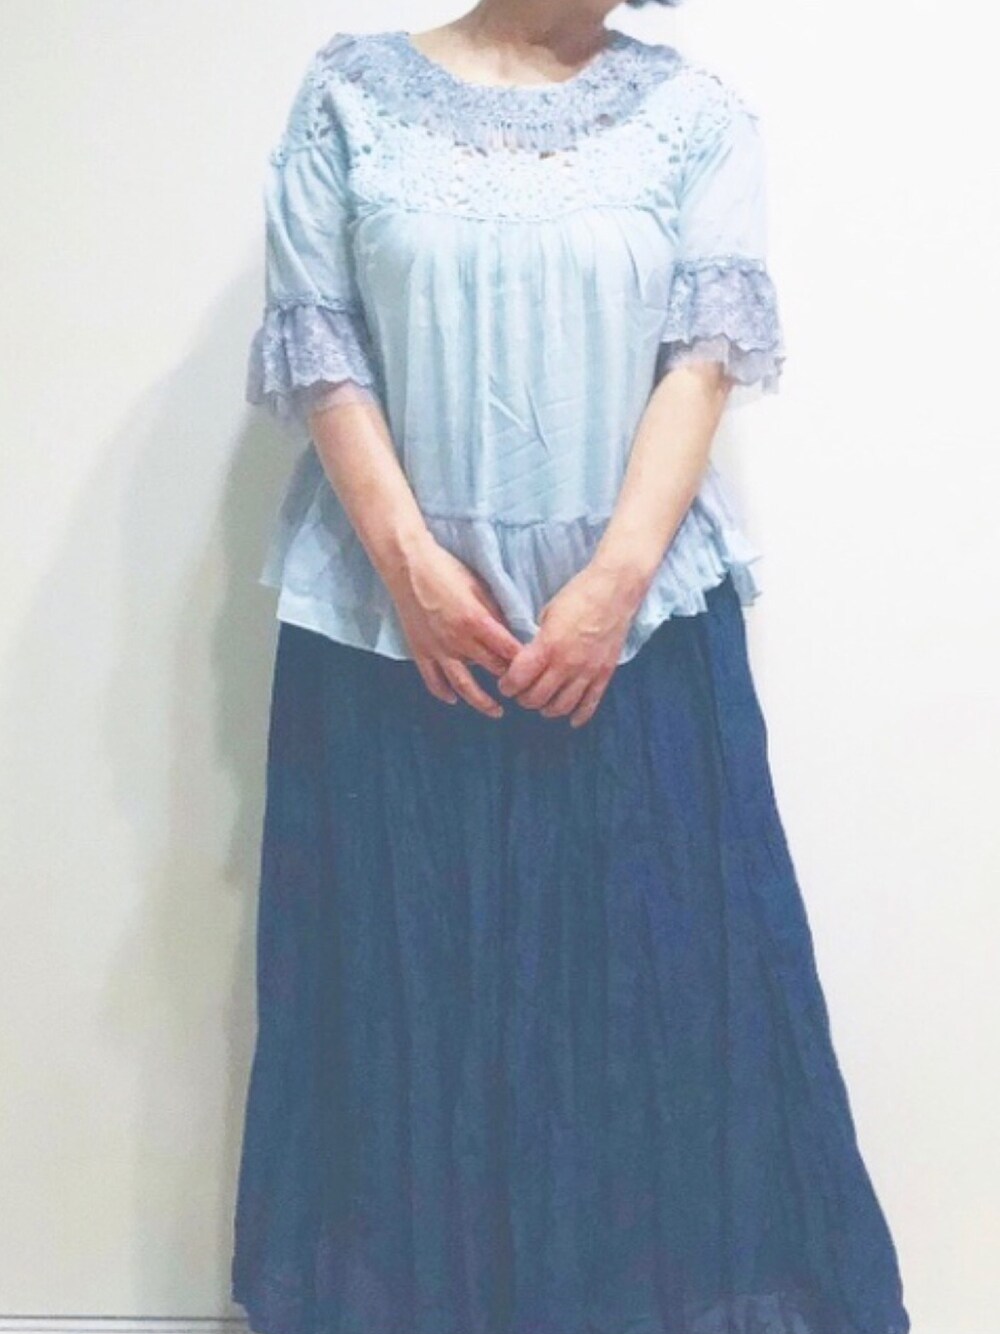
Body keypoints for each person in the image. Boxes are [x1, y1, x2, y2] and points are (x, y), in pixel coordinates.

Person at [230, 4, 912, 1333]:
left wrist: (611, 588)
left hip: (632, 643)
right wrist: (409, 566)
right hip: (393, 640)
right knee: (406, 1004)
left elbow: (699, 369)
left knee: (659, 1011)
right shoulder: (349, 99)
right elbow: (322, 347)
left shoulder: (695, 119)